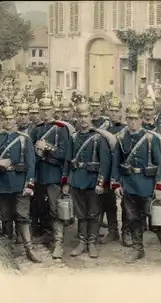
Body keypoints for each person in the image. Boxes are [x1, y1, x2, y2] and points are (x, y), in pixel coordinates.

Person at [111, 103, 161, 270]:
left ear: (141, 119)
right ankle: (138, 249)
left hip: (148, 186)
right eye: (130, 119)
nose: (132, 122)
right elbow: (116, 163)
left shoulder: (151, 138)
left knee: (159, 221)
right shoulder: (121, 138)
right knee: (133, 219)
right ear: (126, 119)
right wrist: (116, 183)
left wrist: (159, 186)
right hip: (129, 186)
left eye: (136, 119)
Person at [0, 105, 41, 263]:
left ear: (15, 119)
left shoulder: (24, 138)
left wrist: (29, 184)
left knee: (23, 215)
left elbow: (31, 164)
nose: (8, 121)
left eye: (10, 118)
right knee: (6, 216)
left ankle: (29, 248)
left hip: (20, 182)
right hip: (2, 183)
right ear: (1, 120)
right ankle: (8, 246)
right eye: (5, 118)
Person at [61, 102, 111, 258]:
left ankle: (92, 242)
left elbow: (105, 163)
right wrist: (66, 182)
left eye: (86, 116)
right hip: (77, 180)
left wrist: (101, 183)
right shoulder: (74, 137)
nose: (83, 119)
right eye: (80, 116)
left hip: (93, 181)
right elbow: (68, 160)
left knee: (94, 213)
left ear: (91, 117)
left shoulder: (98, 138)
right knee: (80, 214)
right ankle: (82, 242)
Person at [30, 94, 70, 260]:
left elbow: (64, 153)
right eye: (42, 110)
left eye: (48, 110)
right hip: (39, 175)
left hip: (54, 175)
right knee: (41, 207)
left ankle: (58, 242)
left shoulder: (61, 128)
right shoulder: (36, 129)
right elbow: (30, 155)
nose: (45, 113)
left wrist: (47, 147)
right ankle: (47, 236)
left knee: (56, 209)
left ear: (53, 110)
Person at [102, 98, 129, 246]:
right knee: (108, 201)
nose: (113, 113)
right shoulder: (103, 129)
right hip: (107, 168)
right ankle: (113, 230)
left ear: (121, 112)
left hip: (122, 169)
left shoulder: (126, 129)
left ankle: (126, 231)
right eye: (111, 110)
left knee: (126, 202)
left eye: (116, 111)